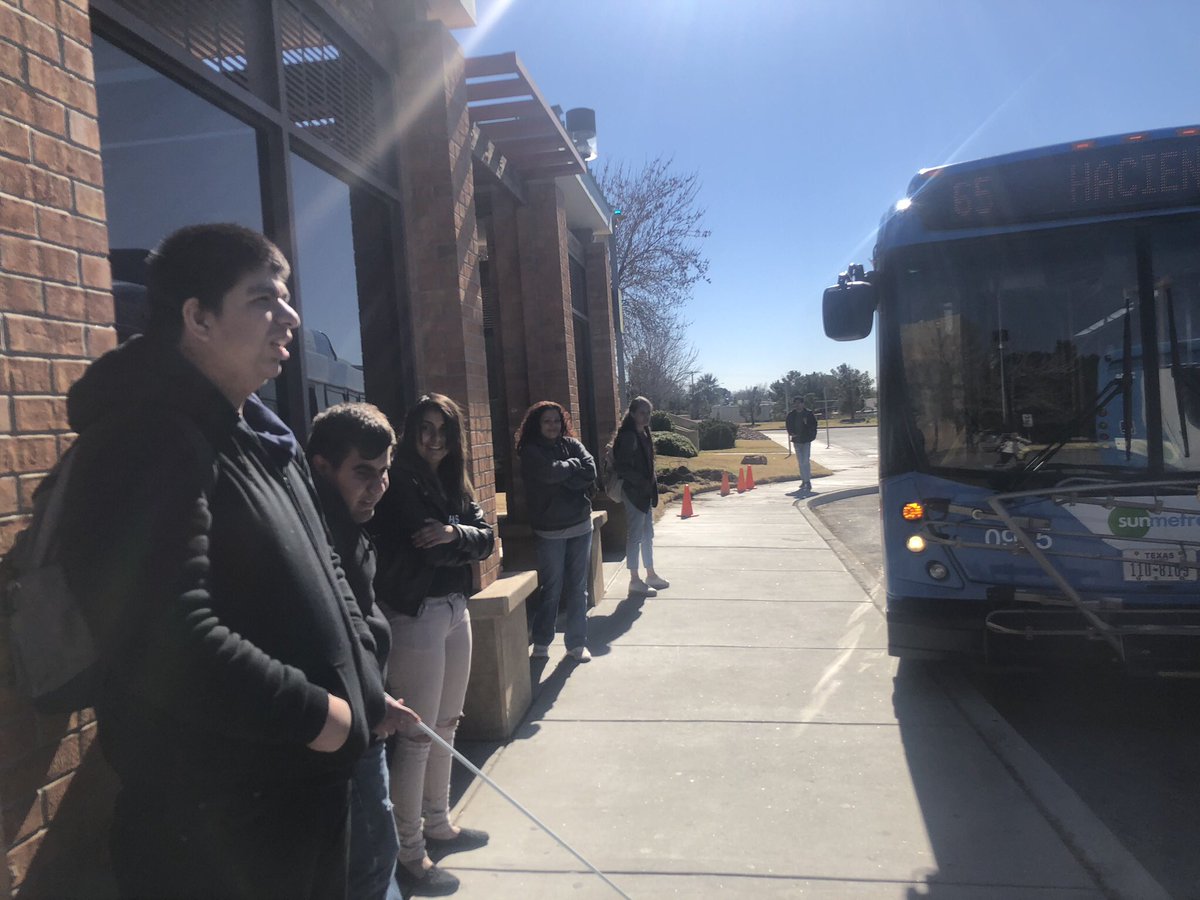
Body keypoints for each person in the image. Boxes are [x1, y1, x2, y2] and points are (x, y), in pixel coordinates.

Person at [59, 224, 409, 899]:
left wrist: (363, 682)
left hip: (296, 807)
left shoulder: (253, 437)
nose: (291, 316)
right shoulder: (144, 439)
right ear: (198, 318)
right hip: (221, 832)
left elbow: (329, 575)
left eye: (285, 298)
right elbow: (165, 634)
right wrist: (320, 715)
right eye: (264, 300)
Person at [369, 393, 494, 897]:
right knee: (418, 735)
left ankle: (439, 823)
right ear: (410, 429)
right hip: (413, 613)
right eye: (425, 427)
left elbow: (487, 539)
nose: (434, 439)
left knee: (447, 724)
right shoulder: (399, 479)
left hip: (453, 609)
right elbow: (431, 546)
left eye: (443, 430)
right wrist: (460, 540)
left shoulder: (453, 481)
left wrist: (455, 535)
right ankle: (410, 851)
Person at [309, 402, 419, 900]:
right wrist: (362, 702)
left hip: (366, 708)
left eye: (384, 472)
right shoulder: (317, 537)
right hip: (345, 727)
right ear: (322, 467)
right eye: (362, 472)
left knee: (377, 857)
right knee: (372, 863)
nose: (377, 485)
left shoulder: (349, 526)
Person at [516, 401, 597, 660]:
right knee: (552, 588)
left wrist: (564, 474)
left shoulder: (571, 444)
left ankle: (576, 644)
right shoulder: (530, 451)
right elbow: (548, 474)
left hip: (580, 526)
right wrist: (572, 469)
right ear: (537, 425)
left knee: (578, 588)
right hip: (549, 530)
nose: (553, 425)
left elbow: (591, 470)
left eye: (556, 420)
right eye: (547, 421)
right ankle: (541, 642)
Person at [613, 396, 668, 596]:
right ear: (633, 413)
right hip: (634, 494)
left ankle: (651, 574)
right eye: (642, 413)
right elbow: (622, 467)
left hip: (644, 493)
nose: (646, 417)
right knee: (635, 536)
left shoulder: (644, 432)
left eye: (648, 413)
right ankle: (634, 579)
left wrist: (651, 486)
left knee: (647, 535)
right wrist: (641, 482)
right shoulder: (628, 436)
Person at [786, 395, 819, 491]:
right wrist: (791, 433)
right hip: (797, 441)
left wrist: (810, 434)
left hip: (806, 441)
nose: (797, 405)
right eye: (795, 403)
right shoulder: (791, 415)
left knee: (805, 461)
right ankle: (804, 481)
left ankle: (808, 481)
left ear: (803, 404)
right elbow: (788, 425)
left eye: (799, 403)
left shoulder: (808, 414)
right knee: (800, 462)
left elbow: (814, 425)